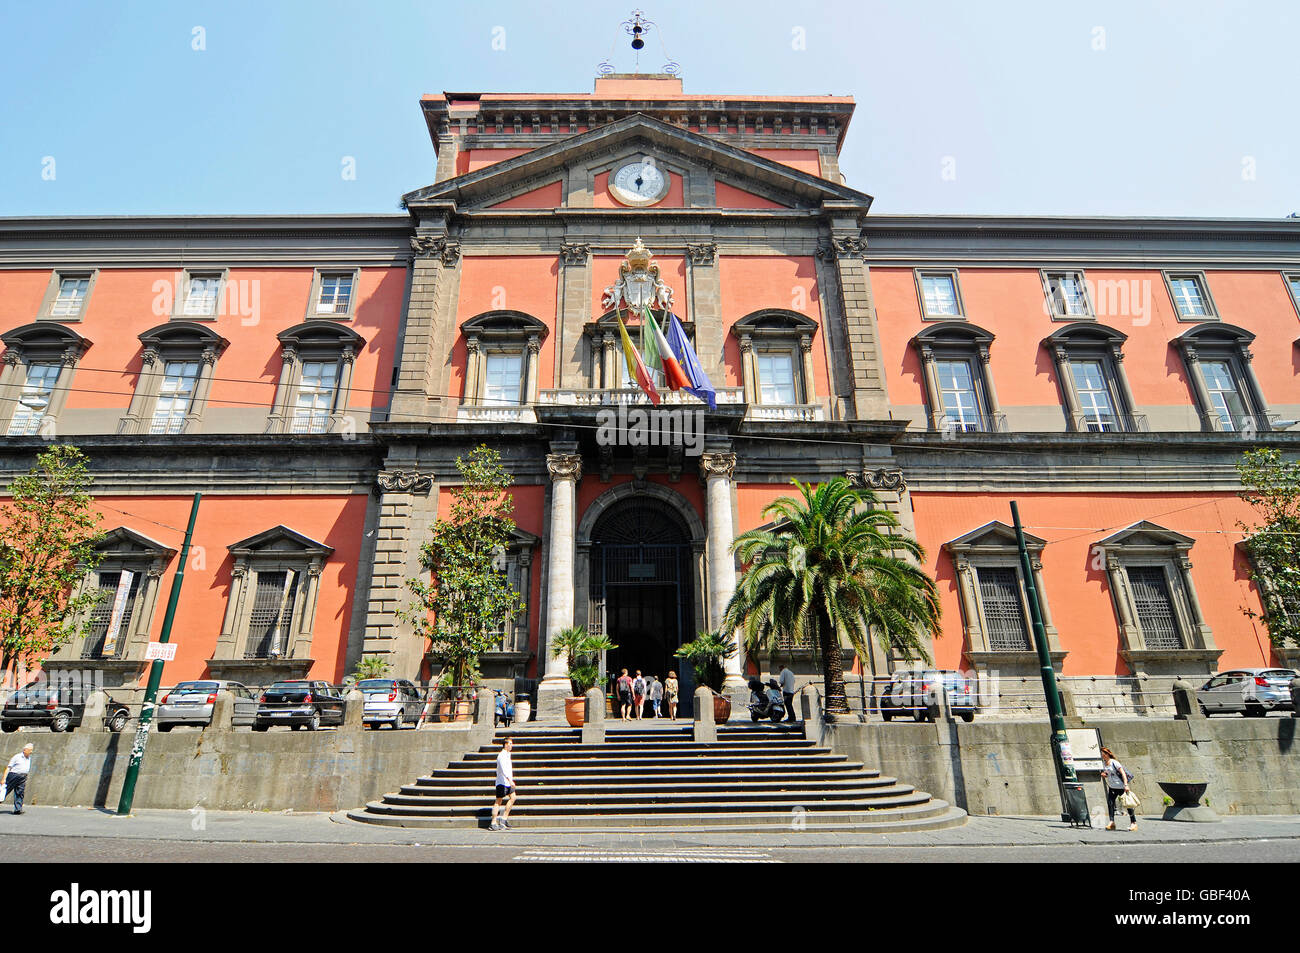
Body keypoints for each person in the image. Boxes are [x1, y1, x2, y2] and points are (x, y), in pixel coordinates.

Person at [1100, 746, 1137, 831]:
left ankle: (1133, 823)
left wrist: (1126, 785)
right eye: (1101, 754)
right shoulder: (1104, 763)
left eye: (1103, 754)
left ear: (1107, 754)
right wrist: (1104, 774)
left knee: (1128, 804)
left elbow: (1123, 773)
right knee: (1110, 804)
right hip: (1112, 787)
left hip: (1121, 787)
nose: (1102, 756)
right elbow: (1108, 773)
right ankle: (1111, 822)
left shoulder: (1114, 762)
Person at [490, 737, 516, 830]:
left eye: (511, 744)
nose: (511, 745)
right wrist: (510, 780)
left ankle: (503, 818)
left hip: (508, 782)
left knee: (513, 798)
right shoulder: (501, 755)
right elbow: (504, 769)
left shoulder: (508, 755)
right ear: (505, 745)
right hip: (502, 782)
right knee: (498, 802)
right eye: (509, 744)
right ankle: (493, 822)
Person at [1, 743, 33, 815]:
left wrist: (25, 776)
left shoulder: (29, 758)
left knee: (20, 793)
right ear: (25, 750)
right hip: (13, 775)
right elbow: (9, 767)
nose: (31, 752)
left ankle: (18, 809)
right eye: (30, 750)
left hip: (22, 777)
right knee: (4, 791)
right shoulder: (17, 757)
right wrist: (3, 779)